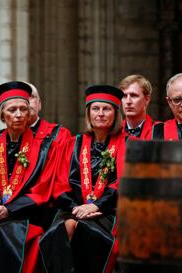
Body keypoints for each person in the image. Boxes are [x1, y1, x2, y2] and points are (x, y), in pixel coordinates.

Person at [39, 85, 127, 273]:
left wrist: (96, 205)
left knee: (86, 232)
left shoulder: (126, 143)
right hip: (75, 209)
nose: (101, 114)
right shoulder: (74, 143)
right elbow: (60, 183)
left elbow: (122, 182)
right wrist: (75, 208)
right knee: (60, 230)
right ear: (88, 113)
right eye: (96, 108)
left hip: (108, 211)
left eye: (107, 109)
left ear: (115, 113)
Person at [0, 81, 58, 273]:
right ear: (2, 115)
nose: (18, 114)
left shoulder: (44, 147)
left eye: (23, 109)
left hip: (26, 214)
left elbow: (42, 189)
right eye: (12, 110)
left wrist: (10, 209)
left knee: (7, 232)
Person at [119, 74, 156, 139]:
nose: (128, 101)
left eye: (133, 95)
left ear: (147, 100)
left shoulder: (159, 131)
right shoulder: (113, 132)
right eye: (124, 96)